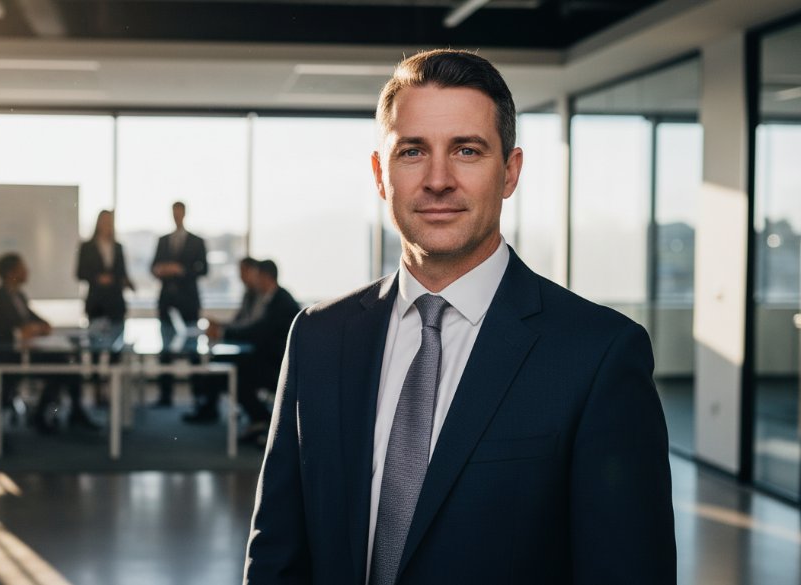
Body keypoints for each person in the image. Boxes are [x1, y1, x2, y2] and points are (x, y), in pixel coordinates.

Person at [244, 49, 676, 584]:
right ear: (382, 175)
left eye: (467, 150)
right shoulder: (318, 338)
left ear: (510, 172)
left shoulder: (598, 355)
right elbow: (276, 558)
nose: (439, 179)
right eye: (412, 152)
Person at [0, 252, 99, 442]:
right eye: (22, 269)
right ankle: (43, 415)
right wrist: (20, 333)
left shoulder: (18, 295)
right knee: (63, 367)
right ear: (11, 273)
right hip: (8, 357)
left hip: (27, 351)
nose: (28, 272)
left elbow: (34, 320)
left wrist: (39, 326)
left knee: (68, 364)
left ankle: (66, 412)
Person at [185, 258, 299, 435]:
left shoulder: (281, 302)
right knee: (225, 365)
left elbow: (259, 331)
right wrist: (222, 328)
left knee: (237, 373)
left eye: (256, 276)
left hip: (279, 364)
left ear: (265, 277)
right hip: (264, 356)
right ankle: (252, 416)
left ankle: (262, 418)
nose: (253, 280)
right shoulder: (268, 297)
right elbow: (249, 326)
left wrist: (222, 332)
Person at [150, 201, 208, 407]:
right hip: (167, 302)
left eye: (179, 213)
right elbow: (152, 267)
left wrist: (181, 270)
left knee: (193, 352)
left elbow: (204, 269)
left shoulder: (197, 241)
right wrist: (161, 270)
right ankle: (165, 396)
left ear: (184, 214)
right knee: (165, 351)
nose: (176, 216)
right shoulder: (163, 241)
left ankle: (198, 397)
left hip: (188, 303)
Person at [76, 209, 135, 323]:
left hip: (116, 303)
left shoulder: (118, 247)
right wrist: (98, 278)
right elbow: (80, 272)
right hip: (96, 302)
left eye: (109, 221)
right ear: (98, 223)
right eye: (104, 221)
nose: (106, 224)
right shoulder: (87, 247)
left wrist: (126, 282)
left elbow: (122, 272)